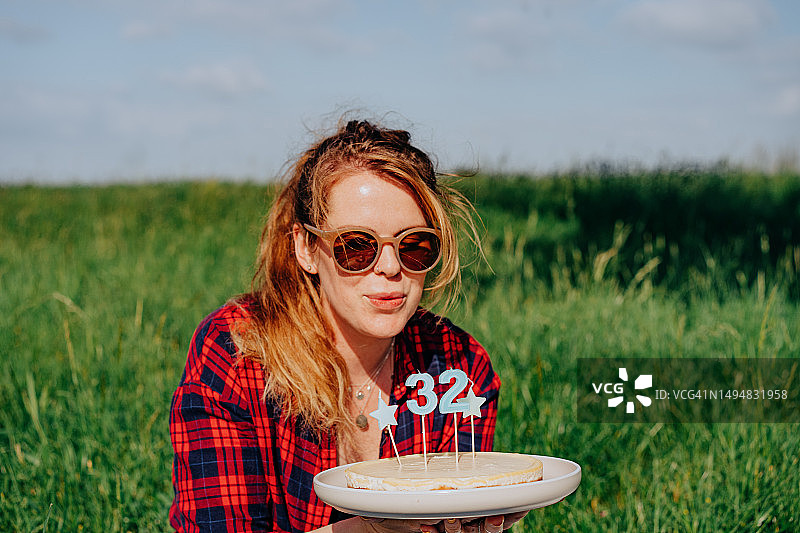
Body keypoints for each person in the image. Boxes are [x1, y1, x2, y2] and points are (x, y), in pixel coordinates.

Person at [169, 119, 527, 533]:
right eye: (357, 246)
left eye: (414, 245)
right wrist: (374, 529)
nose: (391, 268)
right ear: (306, 248)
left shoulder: (458, 366)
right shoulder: (237, 352)